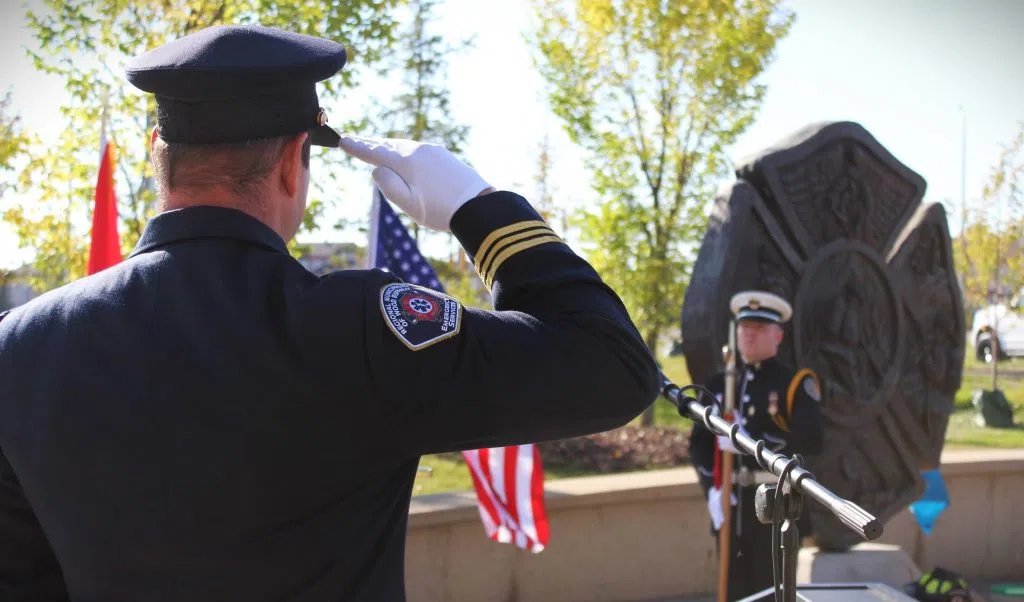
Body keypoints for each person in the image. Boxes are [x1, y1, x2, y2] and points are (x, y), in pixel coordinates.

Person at [0, 25, 661, 602]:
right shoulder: (359, 328)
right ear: (294, 161)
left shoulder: (19, 347)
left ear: (156, 154)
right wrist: (479, 209)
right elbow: (611, 366)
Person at [688, 290, 824, 601]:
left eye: (760, 329)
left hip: (776, 507)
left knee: (769, 590)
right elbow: (699, 445)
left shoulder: (794, 383)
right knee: (733, 587)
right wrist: (712, 488)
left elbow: (811, 441)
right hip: (730, 503)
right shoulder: (718, 384)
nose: (749, 335)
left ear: (778, 335)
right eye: (744, 327)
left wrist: (747, 439)